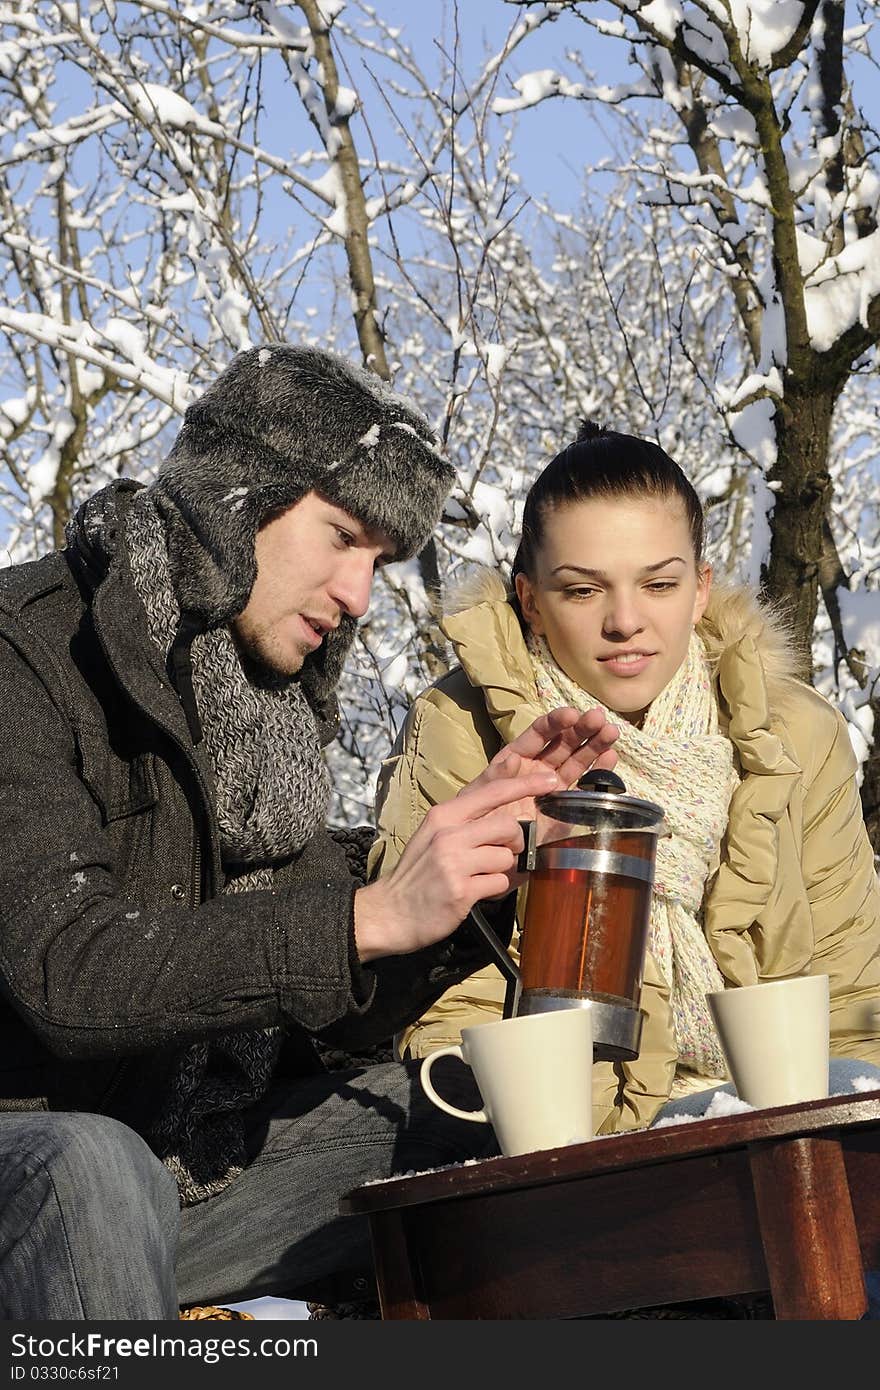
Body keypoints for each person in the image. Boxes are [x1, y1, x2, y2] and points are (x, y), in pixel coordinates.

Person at [0, 348, 620, 1320]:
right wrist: (363, 918)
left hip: (179, 1177)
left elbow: (316, 1028)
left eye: (377, 561)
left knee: (463, 1119)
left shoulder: (266, 719)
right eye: (340, 537)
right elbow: (70, 973)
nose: (358, 594)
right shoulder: (23, 649)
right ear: (232, 502)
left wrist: (471, 878)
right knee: (91, 1163)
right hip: (31, 1172)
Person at [371, 420, 880, 1133]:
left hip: (785, 1116)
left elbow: (856, 1001)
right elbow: (449, 1011)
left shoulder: (797, 733)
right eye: (582, 591)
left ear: (701, 590)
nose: (626, 621)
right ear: (531, 602)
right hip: (570, 1136)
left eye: (660, 583)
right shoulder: (461, 728)